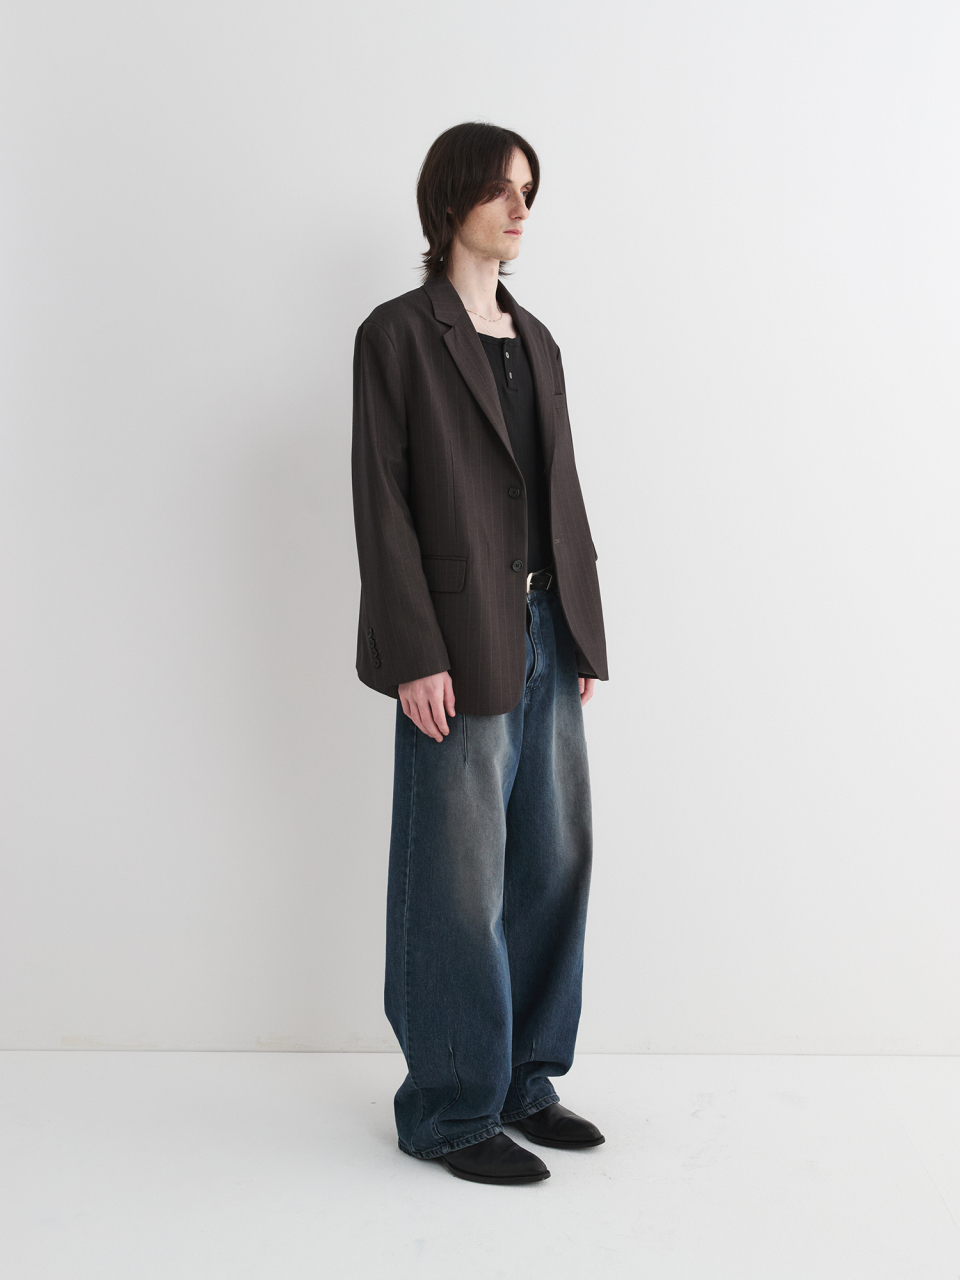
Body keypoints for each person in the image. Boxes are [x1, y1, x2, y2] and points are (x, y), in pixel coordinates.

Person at [351, 121, 609, 1186]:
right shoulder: (397, 335)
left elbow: (558, 491)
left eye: (529, 192)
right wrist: (414, 651)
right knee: (456, 878)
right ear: (450, 197)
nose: (519, 209)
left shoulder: (537, 338)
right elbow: (382, 502)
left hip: (547, 627)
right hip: (455, 642)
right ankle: (451, 1106)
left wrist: (581, 631)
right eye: (502, 189)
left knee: (553, 860)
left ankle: (524, 1080)